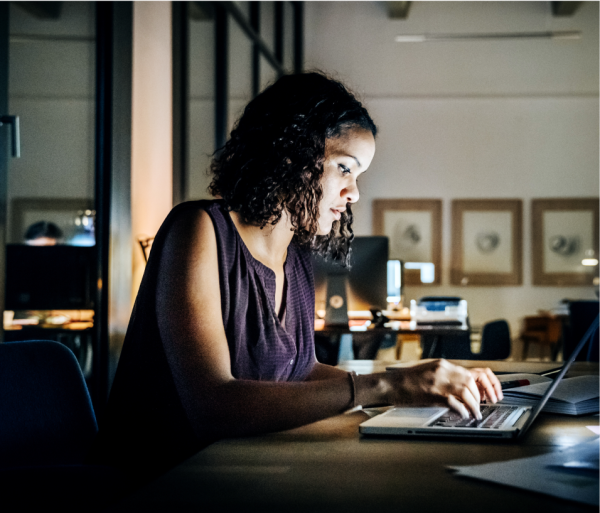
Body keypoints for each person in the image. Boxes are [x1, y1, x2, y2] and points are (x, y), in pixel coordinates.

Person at [88, 72, 503, 488]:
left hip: (244, 470)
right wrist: (384, 385)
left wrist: (413, 382)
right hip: (167, 481)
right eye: (344, 168)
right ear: (291, 154)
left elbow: (300, 371)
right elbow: (213, 405)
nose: (354, 192)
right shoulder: (197, 230)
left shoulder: (296, 255)